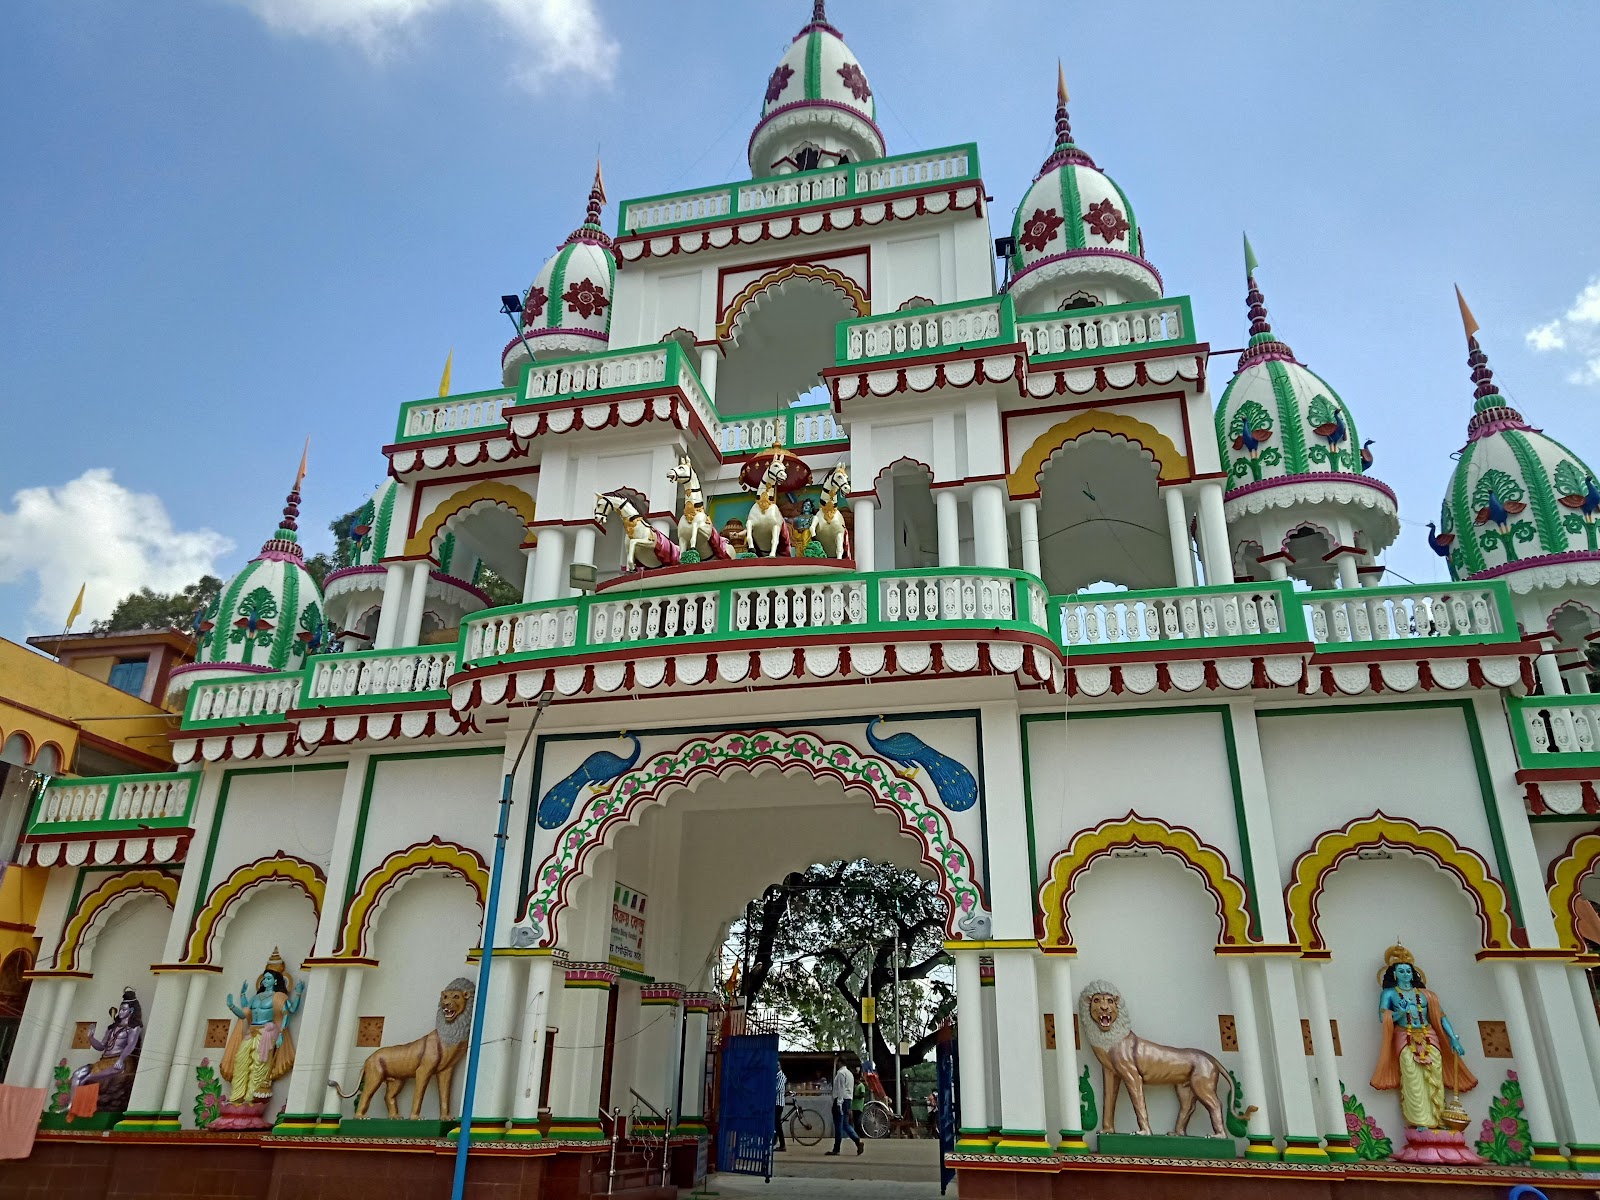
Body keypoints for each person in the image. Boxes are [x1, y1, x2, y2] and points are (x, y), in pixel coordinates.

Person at [1370, 945, 1477, 1129]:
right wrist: (1399, 1014)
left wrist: (1453, 1038)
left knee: (1434, 1075)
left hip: (1429, 1036)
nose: (1405, 974)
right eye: (1401, 971)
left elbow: (1441, 1017)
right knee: (1412, 1079)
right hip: (1405, 1036)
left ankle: (1437, 1117)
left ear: (1413, 974)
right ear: (1394, 974)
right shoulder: (1389, 994)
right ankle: (1420, 1121)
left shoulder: (1427, 995)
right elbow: (1383, 1016)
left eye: (1408, 971)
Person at [826, 1056, 863, 1156]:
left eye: (837, 1063)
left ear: (840, 1063)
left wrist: (838, 1103)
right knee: (845, 1124)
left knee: (838, 1125)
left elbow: (840, 1089)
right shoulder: (850, 1074)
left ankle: (836, 1148)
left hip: (841, 1100)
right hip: (848, 1100)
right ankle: (857, 1141)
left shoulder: (841, 1074)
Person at [774, 1063, 787, 1152]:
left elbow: (777, 1088)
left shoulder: (782, 1077)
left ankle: (782, 1145)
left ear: (780, 1067)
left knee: (778, 1124)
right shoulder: (775, 1076)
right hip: (774, 1103)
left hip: (778, 1103)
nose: (776, 1067)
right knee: (775, 1123)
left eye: (778, 1065)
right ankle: (775, 1141)